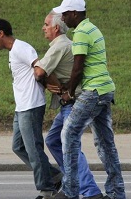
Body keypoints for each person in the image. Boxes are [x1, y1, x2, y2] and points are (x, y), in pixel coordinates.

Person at [52, 0, 126, 199]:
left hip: (93, 91)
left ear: (75, 14)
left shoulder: (82, 32)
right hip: (105, 90)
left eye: (65, 14)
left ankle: (70, 191)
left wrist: (68, 92)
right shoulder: (93, 28)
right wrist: (70, 86)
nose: (63, 19)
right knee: (105, 143)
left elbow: (78, 67)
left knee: (68, 134)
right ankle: (116, 192)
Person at [33, 10, 106, 199]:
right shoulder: (65, 44)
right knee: (54, 140)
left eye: (46, 24)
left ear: (56, 28)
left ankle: (90, 192)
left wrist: (45, 79)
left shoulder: (60, 45)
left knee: (68, 144)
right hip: (71, 101)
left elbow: (39, 72)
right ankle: (73, 182)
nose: (43, 28)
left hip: (72, 102)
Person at [0, 19, 62, 199]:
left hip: (31, 105)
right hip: (21, 107)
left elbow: (40, 67)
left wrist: (51, 85)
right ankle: (54, 175)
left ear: (1, 34)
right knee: (18, 146)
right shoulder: (14, 51)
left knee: (34, 149)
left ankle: (47, 190)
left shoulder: (21, 48)